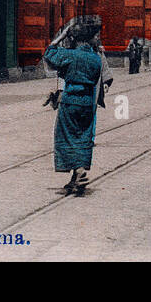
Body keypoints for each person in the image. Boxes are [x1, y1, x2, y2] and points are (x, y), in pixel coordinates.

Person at [42, 16, 108, 197]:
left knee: (66, 136)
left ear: (74, 38)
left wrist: (60, 36)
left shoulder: (69, 56)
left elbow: (49, 54)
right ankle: (75, 178)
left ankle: (78, 170)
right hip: (88, 102)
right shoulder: (96, 59)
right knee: (83, 137)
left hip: (71, 100)